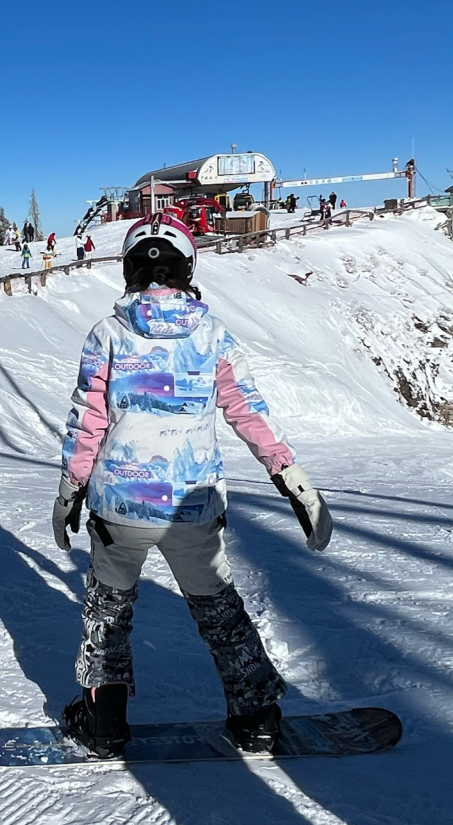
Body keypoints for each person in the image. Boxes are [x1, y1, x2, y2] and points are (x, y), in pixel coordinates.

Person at [50, 211, 333, 758]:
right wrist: (290, 477)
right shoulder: (213, 336)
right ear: (188, 268)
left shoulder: (107, 334)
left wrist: (70, 492)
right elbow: (248, 411)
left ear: (129, 269)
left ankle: (105, 722)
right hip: (193, 505)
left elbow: (87, 420)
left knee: (108, 610)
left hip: (120, 506)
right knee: (218, 608)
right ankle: (257, 718)